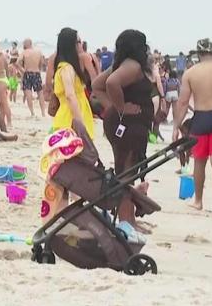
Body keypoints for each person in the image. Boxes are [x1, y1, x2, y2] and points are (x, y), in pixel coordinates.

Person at [91, 29, 155, 236]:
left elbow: (96, 85)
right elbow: (110, 83)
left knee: (127, 171)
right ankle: (126, 221)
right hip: (127, 127)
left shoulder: (124, 64)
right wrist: (120, 108)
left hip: (125, 125)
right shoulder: (133, 65)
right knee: (126, 173)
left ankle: (129, 219)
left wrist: (112, 108)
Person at [173, 38, 212, 215]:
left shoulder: (190, 73)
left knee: (199, 162)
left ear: (198, 53)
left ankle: (198, 201)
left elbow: (183, 102)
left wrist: (176, 126)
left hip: (200, 118)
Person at [51, 28, 94, 139]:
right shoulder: (67, 68)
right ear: (71, 45)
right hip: (71, 115)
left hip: (71, 113)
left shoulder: (66, 67)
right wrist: (80, 122)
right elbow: (70, 95)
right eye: (78, 42)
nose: (81, 45)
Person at [17, 38, 45, 118]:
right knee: (40, 93)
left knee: (28, 93)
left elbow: (18, 62)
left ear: (27, 44)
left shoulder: (24, 52)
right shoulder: (38, 52)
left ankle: (32, 113)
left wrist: (22, 70)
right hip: (36, 73)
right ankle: (43, 113)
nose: (23, 45)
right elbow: (42, 62)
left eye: (24, 43)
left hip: (28, 73)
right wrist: (39, 69)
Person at [0, 48, 11, 129]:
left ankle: (9, 122)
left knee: (3, 103)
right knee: (1, 103)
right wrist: (8, 81)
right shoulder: (2, 56)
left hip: (0, 80)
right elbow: (7, 69)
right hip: (3, 79)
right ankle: (3, 121)